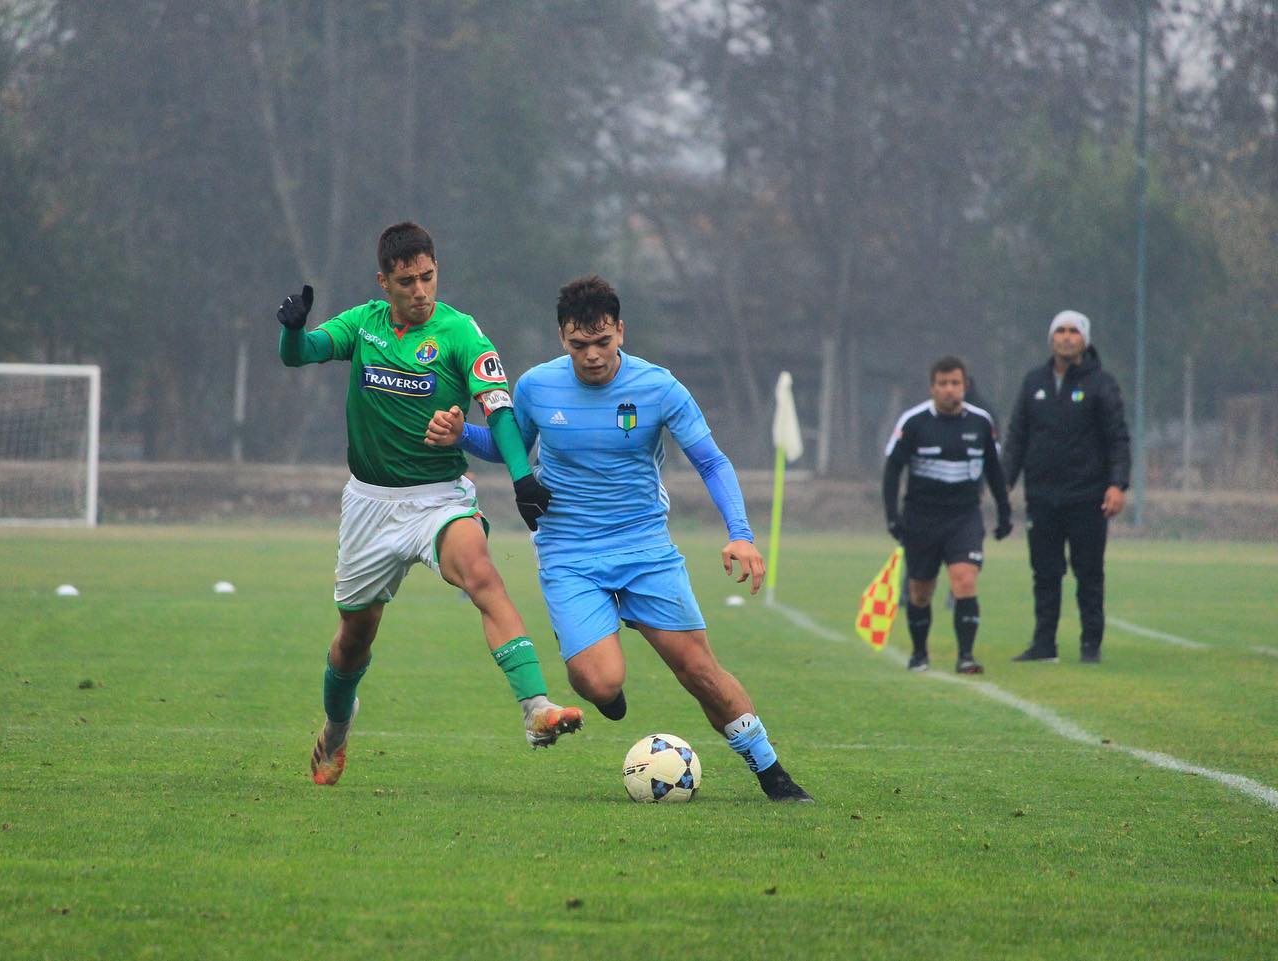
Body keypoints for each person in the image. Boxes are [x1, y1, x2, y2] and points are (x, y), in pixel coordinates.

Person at [424, 276, 814, 803]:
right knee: (599, 684)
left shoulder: (660, 387)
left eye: (602, 342)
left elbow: (711, 461)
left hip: (645, 550)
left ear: (620, 331)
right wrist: (461, 436)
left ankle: (773, 775)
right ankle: (608, 685)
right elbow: (510, 446)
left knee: (699, 670)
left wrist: (740, 535)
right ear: (562, 338)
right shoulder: (537, 386)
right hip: (569, 555)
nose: (591, 356)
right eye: (578, 344)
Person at [274, 222, 583, 786]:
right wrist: (292, 332)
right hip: (369, 504)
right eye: (407, 281)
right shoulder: (362, 326)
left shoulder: (461, 333)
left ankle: (536, 708)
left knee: (483, 577)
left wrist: (522, 479)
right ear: (384, 282)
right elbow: (302, 354)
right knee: (353, 639)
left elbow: (499, 408)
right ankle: (337, 731)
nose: (421, 290)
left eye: (428, 276)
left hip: (438, 499)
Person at [1004, 310, 1131, 665]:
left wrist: (1117, 484)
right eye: (1059, 330)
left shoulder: (1101, 384)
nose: (1066, 337)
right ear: (1051, 338)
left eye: (1073, 331)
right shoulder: (1033, 383)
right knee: (1045, 572)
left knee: (1088, 573)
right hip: (1042, 496)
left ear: (1085, 339)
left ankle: (1091, 644)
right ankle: (1044, 644)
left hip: (1087, 496)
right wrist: (1003, 486)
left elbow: (1117, 439)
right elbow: (1017, 438)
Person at [883, 356, 1012, 674]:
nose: (949, 390)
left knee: (964, 580)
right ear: (933, 387)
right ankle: (919, 654)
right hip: (921, 517)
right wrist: (892, 516)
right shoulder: (913, 422)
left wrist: (1005, 512)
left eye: (955, 383)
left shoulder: (981, 423)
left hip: (964, 517)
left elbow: (995, 471)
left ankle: (966, 656)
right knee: (920, 590)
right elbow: (892, 470)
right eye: (943, 384)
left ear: (965, 385)